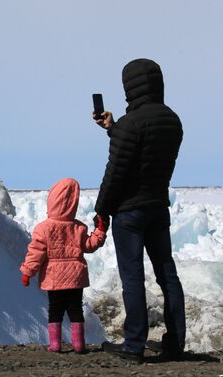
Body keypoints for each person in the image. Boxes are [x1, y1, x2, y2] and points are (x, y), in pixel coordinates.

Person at [93, 58, 185, 362]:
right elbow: (145, 152)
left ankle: (134, 344)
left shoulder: (131, 124)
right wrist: (113, 129)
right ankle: (175, 342)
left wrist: (101, 208)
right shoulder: (172, 120)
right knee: (167, 274)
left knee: (132, 277)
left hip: (129, 213)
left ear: (129, 87)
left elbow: (117, 170)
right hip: (158, 207)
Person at [20, 178, 108, 353]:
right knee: (76, 309)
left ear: (51, 201)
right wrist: (100, 231)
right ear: (73, 203)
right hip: (76, 277)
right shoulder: (79, 228)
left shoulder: (43, 228)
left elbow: (36, 253)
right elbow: (90, 246)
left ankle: (55, 344)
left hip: (54, 278)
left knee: (55, 310)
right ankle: (79, 344)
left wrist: (27, 272)